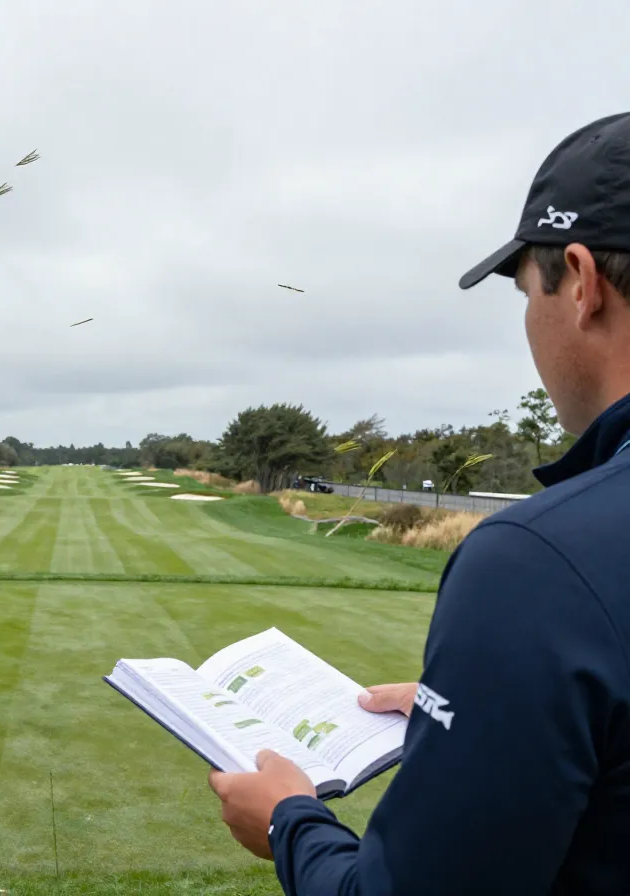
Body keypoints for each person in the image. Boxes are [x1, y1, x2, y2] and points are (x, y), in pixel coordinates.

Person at [207, 110, 630, 894]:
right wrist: (492, 714)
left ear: (580, 281)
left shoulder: (537, 568)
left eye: (523, 287)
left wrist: (288, 820)